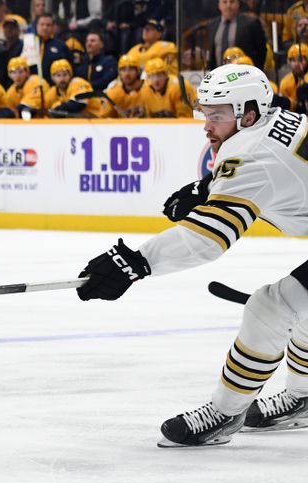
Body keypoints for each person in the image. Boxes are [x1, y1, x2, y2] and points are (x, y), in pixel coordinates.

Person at [76, 62, 308, 447]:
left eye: (215, 116)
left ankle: (225, 412)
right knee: (300, 306)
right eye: (205, 114)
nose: (206, 126)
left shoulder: (251, 157)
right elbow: (278, 171)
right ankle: (303, 397)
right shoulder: (278, 119)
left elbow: (207, 239)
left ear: (247, 114)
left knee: (271, 308)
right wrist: (208, 188)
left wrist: (134, 262)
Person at [206, 0, 267, 69]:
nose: (228, 6)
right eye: (225, 2)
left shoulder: (251, 24)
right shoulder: (212, 25)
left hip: (244, 75)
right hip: (219, 76)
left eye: (232, 2)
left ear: (238, 4)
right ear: (219, 5)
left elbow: (262, 51)